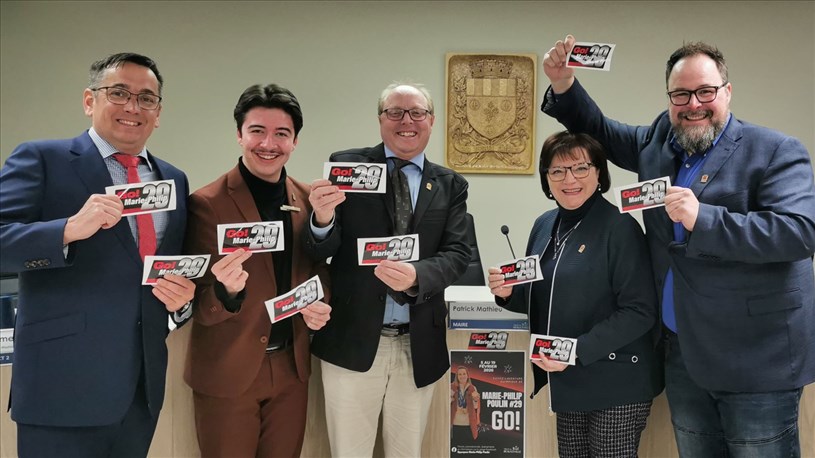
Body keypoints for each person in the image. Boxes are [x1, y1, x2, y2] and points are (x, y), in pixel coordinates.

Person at [541, 35, 815, 457]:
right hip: (683, 352)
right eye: (681, 94)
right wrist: (563, 83)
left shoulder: (774, 150)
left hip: (755, 357)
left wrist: (703, 218)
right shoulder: (658, 142)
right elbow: (600, 131)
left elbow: (798, 232)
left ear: (727, 91)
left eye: (705, 91)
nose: (693, 104)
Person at [0, 52, 194, 457]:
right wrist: (68, 229)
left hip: (140, 390)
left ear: (158, 113)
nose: (133, 107)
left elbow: (164, 269)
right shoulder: (42, 159)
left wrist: (182, 301)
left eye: (146, 99)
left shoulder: (173, 179)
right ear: (90, 101)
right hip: (60, 387)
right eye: (119, 93)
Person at [305, 82, 471, 457]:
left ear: (431, 121)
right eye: (394, 112)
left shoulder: (450, 185)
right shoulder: (348, 167)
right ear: (380, 120)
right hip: (352, 340)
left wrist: (418, 276)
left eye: (417, 113)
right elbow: (320, 250)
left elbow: (459, 253)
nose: (406, 121)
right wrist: (322, 218)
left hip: (418, 344)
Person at [488, 131, 662, 457]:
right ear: (546, 178)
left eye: (580, 168)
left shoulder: (620, 227)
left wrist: (574, 351)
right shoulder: (544, 225)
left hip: (616, 380)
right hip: (568, 379)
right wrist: (508, 293)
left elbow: (640, 311)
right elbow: (544, 297)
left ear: (599, 173)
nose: (569, 179)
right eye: (557, 170)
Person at [182, 83, 332, 457]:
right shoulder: (206, 203)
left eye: (281, 133)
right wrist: (226, 292)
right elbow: (195, 302)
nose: (268, 143)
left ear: (295, 141)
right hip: (228, 369)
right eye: (257, 131)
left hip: (291, 369)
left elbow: (318, 269)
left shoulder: (307, 199)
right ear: (239, 135)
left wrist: (321, 303)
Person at [450, 366, 481, 445]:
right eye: (460, 374)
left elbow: (476, 407)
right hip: (455, 422)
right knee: (455, 445)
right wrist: (451, 398)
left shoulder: (473, 388)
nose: (462, 376)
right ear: (457, 376)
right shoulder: (452, 387)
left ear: (467, 375)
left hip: (468, 423)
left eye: (464, 374)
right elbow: (444, 403)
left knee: (467, 446)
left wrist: (475, 399)